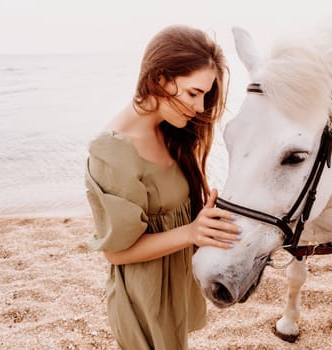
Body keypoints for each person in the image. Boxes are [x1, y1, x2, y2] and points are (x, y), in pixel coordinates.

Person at [84, 25, 242, 349]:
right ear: (159, 79)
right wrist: (190, 233)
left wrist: (203, 219)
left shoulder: (171, 132)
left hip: (173, 291)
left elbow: (176, 212)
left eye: (205, 95)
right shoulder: (113, 152)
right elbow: (114, 252)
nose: (200, 108)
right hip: (143, 302)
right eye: (193, 93)